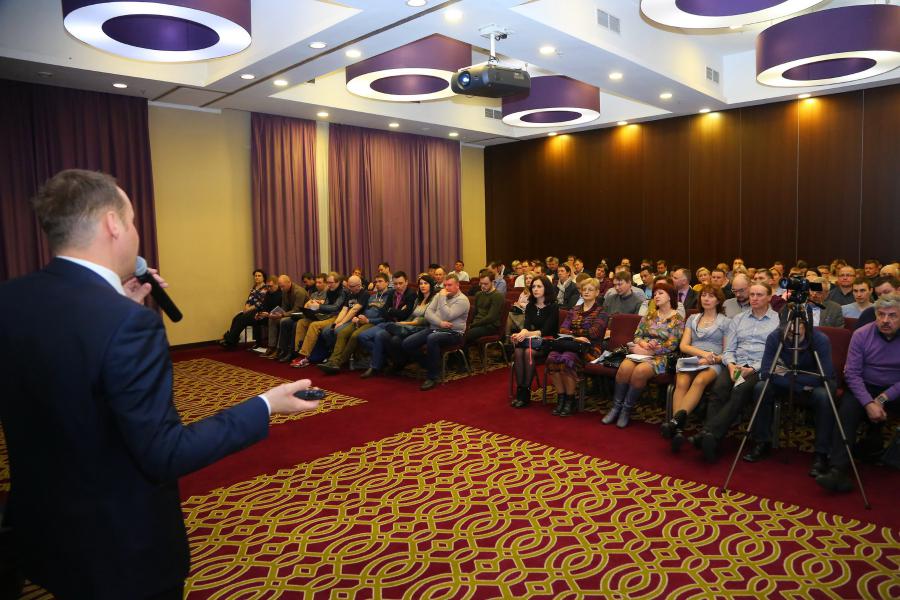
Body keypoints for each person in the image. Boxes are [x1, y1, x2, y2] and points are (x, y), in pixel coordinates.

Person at [0, 169, 320, 599]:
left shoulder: (12, 298)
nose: (135, 232)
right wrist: (265, 404)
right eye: (132, 220)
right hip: (118, 546)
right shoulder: (128, 324)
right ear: (113, 224)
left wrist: (117, 304)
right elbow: (165, 452)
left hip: (45, 527)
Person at [817, 293, 900, 492]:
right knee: (846, 412)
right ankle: (838, 470)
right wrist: (869, 403)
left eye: (892, 315)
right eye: (881, 315)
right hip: (863, 386)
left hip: (895, 389)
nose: (885, 320)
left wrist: (882, 399)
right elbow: (852, 374)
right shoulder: (862, 334)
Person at [692, 283, 780, 463]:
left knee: (739, 390)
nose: (754, 298)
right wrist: (731, 365)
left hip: (759, 367)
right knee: (719, 388)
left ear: (769, 297)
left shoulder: (778, 321)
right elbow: (729, 349)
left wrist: (752, 369)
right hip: (736, 364)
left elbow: (776, 354)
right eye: (752, 294)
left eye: (759, 295)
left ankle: (709, 434)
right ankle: (712, 439)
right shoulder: (738, 319)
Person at [742, 319, 835, 476]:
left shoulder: (820, 339)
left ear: (806, 325)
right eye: (788, 325)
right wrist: (798, 384)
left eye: (797, 325)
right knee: (761, 388)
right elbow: (766, 372)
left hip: (815, 384)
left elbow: (824, 375)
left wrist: (786, 375)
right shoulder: (775, 337)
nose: (792, 329)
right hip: (794, 383)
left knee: (824, 396)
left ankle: (822, 453)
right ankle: (762, 442)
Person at [603, 282, 684, 428]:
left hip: (662, 357)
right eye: (655, 294)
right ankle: (616, 407)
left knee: (640, 371)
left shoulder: (677, 319)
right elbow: (637, 336)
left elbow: (672, 345)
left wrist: (652, 350)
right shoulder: (650, 315)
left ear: (670, 296)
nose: (656, 296)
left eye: (660, 293)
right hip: (641, 352)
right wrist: (643, 344)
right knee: (624, 368)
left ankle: (626, 410)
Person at [661, 284, 729, 451]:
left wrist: (710, 359)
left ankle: (675, 423)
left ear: (718, 300)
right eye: (703, 295)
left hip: (713, 361)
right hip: (693, 358)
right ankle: (678, 429)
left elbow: (727, 352)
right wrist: (702, 355)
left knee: (699, 381)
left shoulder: (726, 322)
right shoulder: (693, 318)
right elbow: (684, 346)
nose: (706, 299)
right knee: (681, 382)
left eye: (711, 296)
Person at [546, 278, 608, 417]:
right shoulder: (574, 310)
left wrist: (573, 333)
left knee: (567, 359)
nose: (586, 292)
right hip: (571, 344)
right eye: (584, 289)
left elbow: (594, 333)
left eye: (590, 289)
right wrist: (576, 337)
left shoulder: (602, 312)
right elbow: (562, 329)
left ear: (597, 292)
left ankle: (570, 400)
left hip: (591, 349)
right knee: (552, 358)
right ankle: (561, 398)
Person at [401, 273, 471, 391]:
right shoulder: (439, 295)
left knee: (432, 338)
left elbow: (447, 315)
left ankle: (432, 377)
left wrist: (442, 299)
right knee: (407, 343)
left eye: (450, 285)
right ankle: (431, 364)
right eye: (445, 285)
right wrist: (440, 323)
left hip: (454, 333)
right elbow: (428, 313)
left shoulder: (462, 300)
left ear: (457, 285)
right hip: (435, 328)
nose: (446, 288)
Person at [360, 273, 435, 379]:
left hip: (418, 327)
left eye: (426, 283)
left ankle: (399, 362)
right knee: (380, 335)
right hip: (400, 324)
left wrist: (399, 317)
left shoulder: (420, 297)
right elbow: (384, 311)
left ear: (406, 282)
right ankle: (378, 365)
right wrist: (396, 314)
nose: (423, 286)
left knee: (394, 339)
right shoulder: (418, 298)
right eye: (421, 284)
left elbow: (413, 316)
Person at [318, 273, 389, 375]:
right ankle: (332, 360)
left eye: (380, 281)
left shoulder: (388, 296)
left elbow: (384, 316)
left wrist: (368, 320)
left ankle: (338, 363)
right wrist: (359, 317)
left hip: (373, 322)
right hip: (361, 319)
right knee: (342, 332)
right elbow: (363, 310)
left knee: (355, 335)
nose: (377, 284)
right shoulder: (372, 296)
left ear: (387, 283)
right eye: (376, 281)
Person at [510, 275, 559, 408]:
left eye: (539, 286)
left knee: (528, 352)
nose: (535, 289)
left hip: (547, 342)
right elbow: (526, 326)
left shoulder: (553, 307)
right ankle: (521, 390)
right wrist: (520, 334)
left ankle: (525, 391)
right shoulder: (531, 306)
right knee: (519, 350)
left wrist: (526, 333)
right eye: (533, 287)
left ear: (546, 288)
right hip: (532, 341)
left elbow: (545, 331)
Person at [263, 275, 308, 361]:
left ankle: (281, 349)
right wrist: (276, 313)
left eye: (283, 286)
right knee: (272, 319)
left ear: (289, 282)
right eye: (280, 287)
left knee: (284, 321)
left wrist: (282, 315)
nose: (281, 289)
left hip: (301, 315)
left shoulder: (299, 292)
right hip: (291, 314)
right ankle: (272, 346)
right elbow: (284, 306)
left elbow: (297, 310)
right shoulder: (284, 291)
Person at [220, 268, 268, 348]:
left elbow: (260, 303)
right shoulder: (254, 287)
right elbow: (249, 300)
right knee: (236, 318)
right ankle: (232, 341)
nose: (257, 277)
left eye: (259, 276)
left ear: (263, 278)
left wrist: (248, 309)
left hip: (259, 311)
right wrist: (246, 307)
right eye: (255, 276)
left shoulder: (265, 288)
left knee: (241, 319)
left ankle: (230, 340)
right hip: (250, 310)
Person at [466, 269, 504, 345]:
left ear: (493, 282)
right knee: (459, 332)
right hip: (477, 324)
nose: (483, 286)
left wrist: (473, 325)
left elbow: (491, 317)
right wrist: (468, 324)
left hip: (490, 326)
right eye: (481, 283)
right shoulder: (479, 294)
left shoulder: (497, 296)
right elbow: (475, 313)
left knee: (466, 335)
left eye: (486, 284)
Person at [506, 271, 534, 336]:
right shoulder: (524, 292)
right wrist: (517, 304)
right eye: (526, 278)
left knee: (509, 315)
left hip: (530, 316)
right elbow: (519, 302)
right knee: (508, 314)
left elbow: (533, 306)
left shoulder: (536, 291)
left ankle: (508, 337)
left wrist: (521, 304)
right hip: (521, 313)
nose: (528, 280)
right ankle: (508, 336)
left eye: (530, 278)